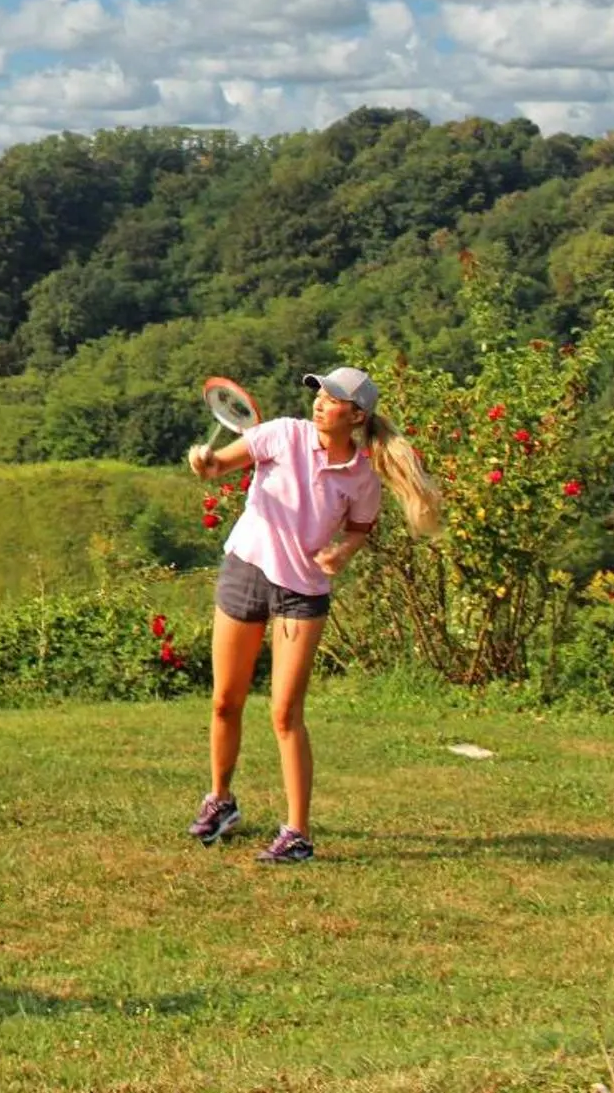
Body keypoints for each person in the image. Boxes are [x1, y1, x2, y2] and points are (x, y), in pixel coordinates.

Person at [183, 366, 440, 864]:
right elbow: (219, 467)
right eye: (319, 392)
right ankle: (221, 801)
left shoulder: (363, 478)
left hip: (302, 594)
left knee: (285, 714)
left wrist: (342, 554)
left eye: (333, 397)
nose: (320, 401)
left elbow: (360, 528)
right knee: (224, 701)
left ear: (358, 415)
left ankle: (297, 833)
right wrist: (205, 462)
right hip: (246, 571)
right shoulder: (282, 433)